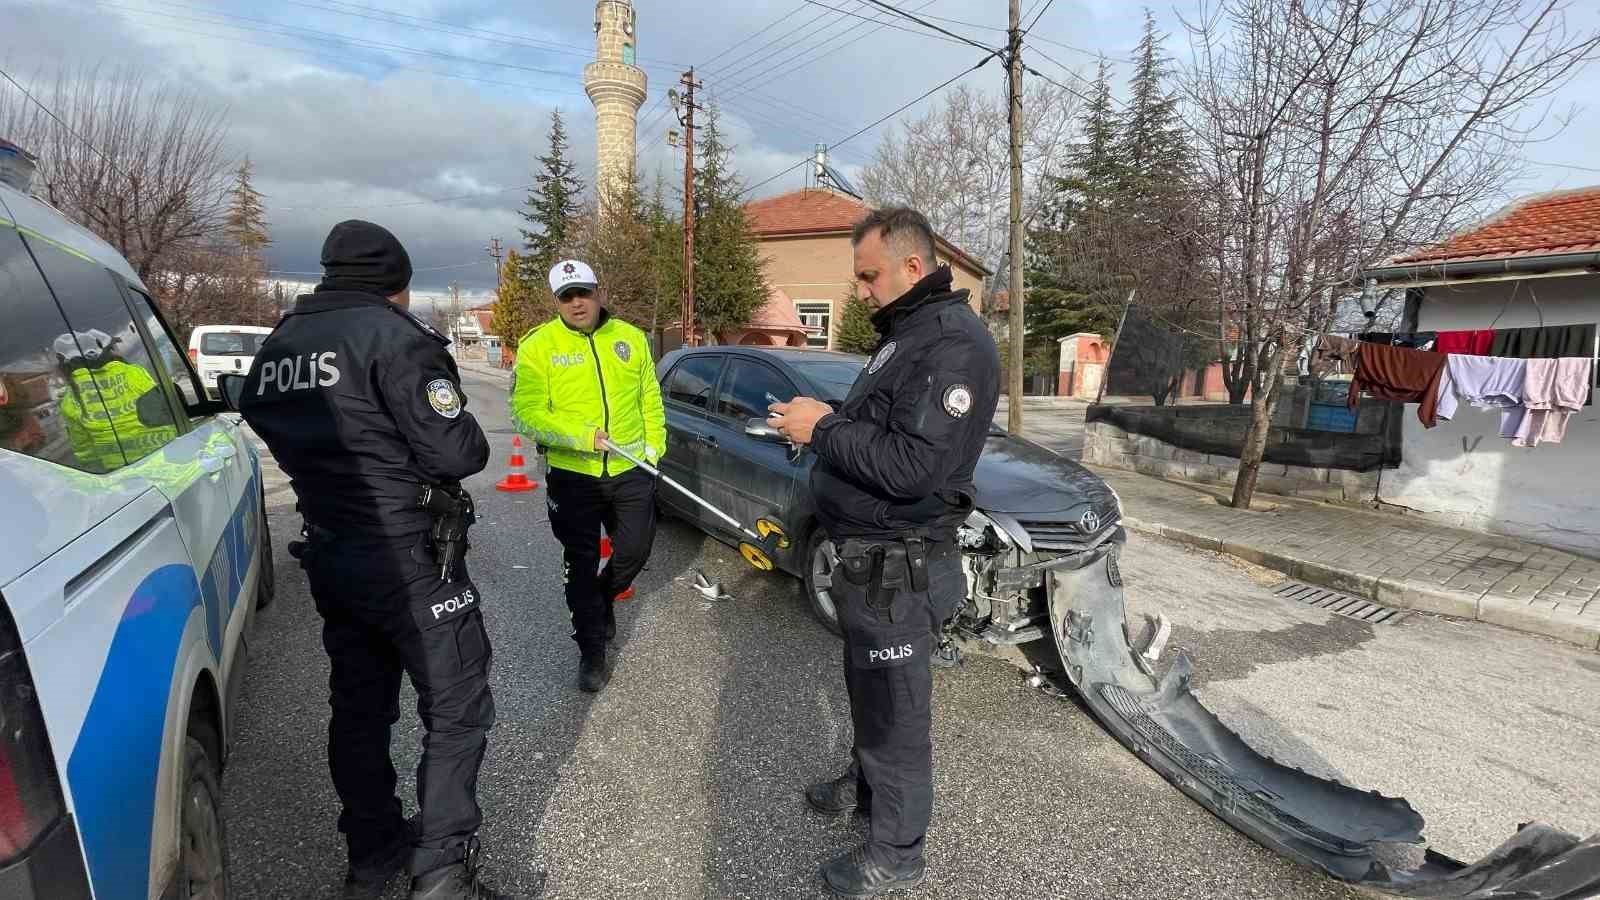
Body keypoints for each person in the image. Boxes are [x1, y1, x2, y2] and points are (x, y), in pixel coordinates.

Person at [238, 220, 518, 900]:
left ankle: (373, 853)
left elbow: (254, 409)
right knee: (456, 709)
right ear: (397, 282)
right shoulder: (396, 338)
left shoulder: (282, 343)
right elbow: (459, 454)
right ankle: (443, 875)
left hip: (332, 549)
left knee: (360, 711)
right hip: (410, 557)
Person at [768, 207, 1000, 897]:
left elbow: (912, 469)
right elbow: (880, 429)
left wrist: (825, 429)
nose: (861, 291)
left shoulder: (953, 345)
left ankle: (894, 853)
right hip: (868, 564)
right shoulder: (909, 336)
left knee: (897, 718)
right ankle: (868, 789)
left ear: (912, 265)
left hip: (901, 567)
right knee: (870, 693)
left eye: (869, 277)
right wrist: (820, 430)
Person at [509, 259, 665, 693]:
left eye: (584, 292)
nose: (578, 302)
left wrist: (654, 450)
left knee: (634, 550)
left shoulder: (631, 339)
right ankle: (591, 650)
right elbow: (525, 414)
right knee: (578, 566)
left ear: (599, 292)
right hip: (573, 475)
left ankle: (602, 597)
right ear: (556, 301)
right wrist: (581, 437)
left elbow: (650, 401)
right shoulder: (537, 346)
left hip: (630, 468)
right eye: (567, 296)